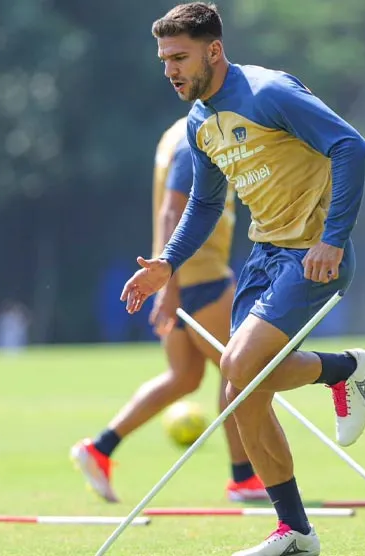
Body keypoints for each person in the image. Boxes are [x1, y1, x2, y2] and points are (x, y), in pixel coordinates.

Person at [122, 4, 365, 555]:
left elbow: (351, 146)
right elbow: (206, 205)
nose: (170, 70)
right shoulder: (197, 123)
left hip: (313, 256)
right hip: (264, 259)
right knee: (242, 393)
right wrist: (168, 263)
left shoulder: (268, 93)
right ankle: (296, 532)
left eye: (179, 57)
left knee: (237, 368)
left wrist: (332, 239)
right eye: (164, 59)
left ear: (213, 50)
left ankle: (344, 369)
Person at [71, 116, 269, 503]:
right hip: (201, 277)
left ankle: (100, 448)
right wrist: (170, 285)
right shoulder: (194, 137)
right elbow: (171, 212)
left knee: (184, 376)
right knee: (243, 374)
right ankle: (244, 478)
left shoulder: (175, 132)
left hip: (184, 280)